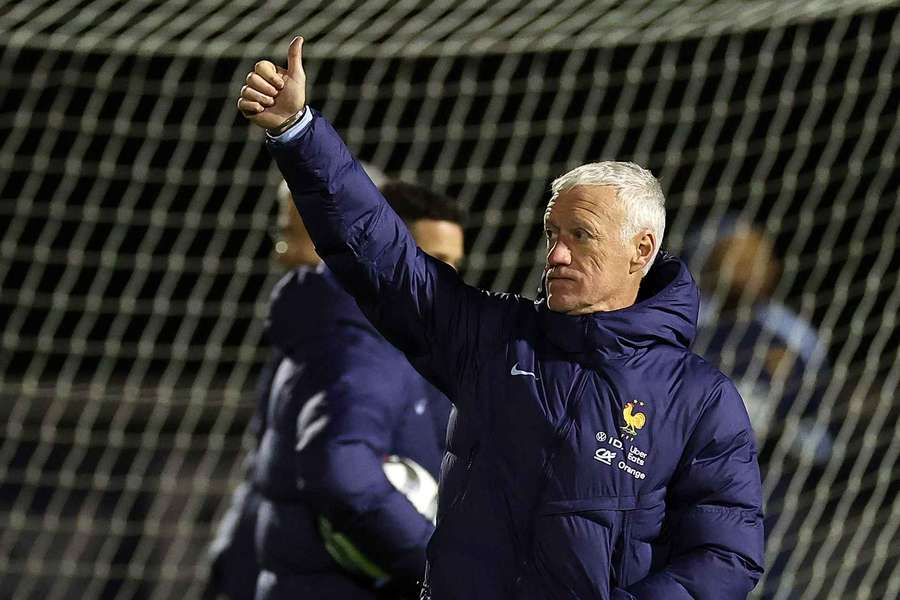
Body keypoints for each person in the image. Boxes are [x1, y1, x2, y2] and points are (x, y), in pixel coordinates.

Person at [236, 37, 765, 599]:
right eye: (552, 236)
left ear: (641, 250)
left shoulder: (701, 399)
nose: (556, 255)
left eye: (580, 236)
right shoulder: (494, 339)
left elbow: (725, 553)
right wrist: (298, 131)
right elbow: (383, 256)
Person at [207, 177, 464, 600]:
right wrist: (436, 564)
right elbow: (344, 473)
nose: (448, 278)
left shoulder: (354, 332)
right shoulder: (359, 346)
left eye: (454, 262)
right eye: (434, 258)